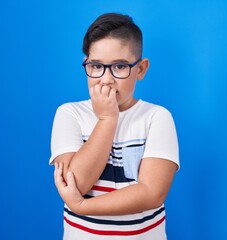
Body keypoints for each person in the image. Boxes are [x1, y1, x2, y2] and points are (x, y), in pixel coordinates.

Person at [50, 12, 179, 240]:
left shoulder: (156, 117)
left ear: (140, 69)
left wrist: (82, 207)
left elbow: (151, 193)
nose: (106, 79)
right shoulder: (69, 114)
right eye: (96, 66)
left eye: (119, 67)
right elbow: (75, 183)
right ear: (86, 65)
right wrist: (107, 120)